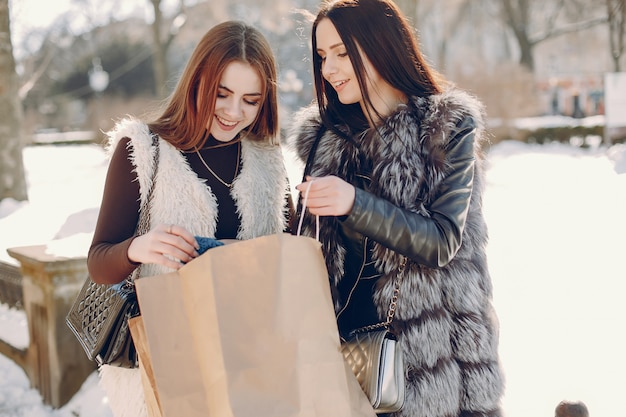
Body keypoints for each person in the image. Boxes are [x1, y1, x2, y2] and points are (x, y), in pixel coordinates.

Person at [287, 0, 504, 416]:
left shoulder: (444, 128)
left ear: (380, 45)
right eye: (321, 56)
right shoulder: (325, 138)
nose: (328, 69)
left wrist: (354, 203)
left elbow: (442, 241)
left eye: (342, 53)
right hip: (345, 358)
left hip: (433, 361)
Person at [87, 21, 293, 417]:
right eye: (222, 94)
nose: (235, 112)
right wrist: (138, 248)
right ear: (197, 80)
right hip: (168, 360)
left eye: (251, 100)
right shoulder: (144, 149)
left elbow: (290, 256)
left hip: (253, 359)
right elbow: (98, 262)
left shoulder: (268, 159)